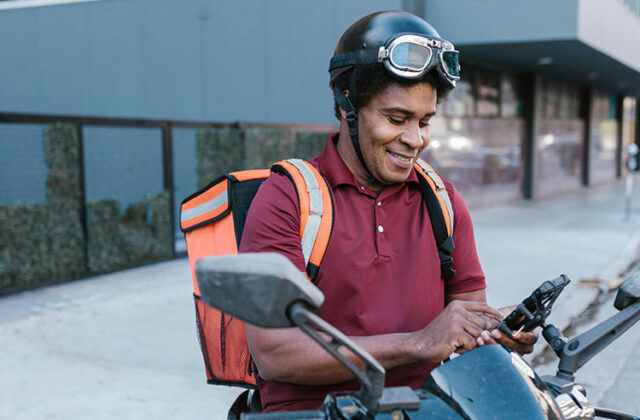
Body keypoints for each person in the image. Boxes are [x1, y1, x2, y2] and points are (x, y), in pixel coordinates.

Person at [239, 10, 537, 413]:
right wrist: (417, 342)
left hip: (426, 408)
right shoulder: (289, 198)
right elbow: (275, 352)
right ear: (346, 106)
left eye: (425, 121)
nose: (415, 140)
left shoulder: (441, 200)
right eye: (396, 119)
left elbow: (465, 320)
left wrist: (492, 336)